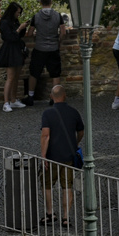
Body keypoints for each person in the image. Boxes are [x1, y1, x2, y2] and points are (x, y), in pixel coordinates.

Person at [39, 84, 83, 226]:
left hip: (52, 156)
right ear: (65, 96)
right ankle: (66, 218)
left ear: (51, 97)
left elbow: (45, 136)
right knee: (67, 187)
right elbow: (81, 131)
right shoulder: (74, 112)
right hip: (69, 157)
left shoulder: (47, 113)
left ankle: (50, 214)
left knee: (47, 185)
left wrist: (43, 156)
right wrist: (75, 143)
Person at [25, 0, 71, 107]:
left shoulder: (36, 16)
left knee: (34, 73)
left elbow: (30, 33)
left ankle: (30, 97)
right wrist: (58, 41)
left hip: (39, 48)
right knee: (55, 74)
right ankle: (55, 99)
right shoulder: (57, 15)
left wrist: (37, 35)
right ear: (51, 2)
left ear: (40, 2)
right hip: (53, 48)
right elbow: (63, 32)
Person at [0, 1, 26, 112]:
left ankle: (13, 100)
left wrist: (23, 28)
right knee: (10, 77)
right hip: (10, 50)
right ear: (12, 12)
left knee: (16, 76)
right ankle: (6, 102)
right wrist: (19, 29)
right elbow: (10, 37)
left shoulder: (14, 21)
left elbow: (19, 35)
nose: (19, 14)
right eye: (18, 12)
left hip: (17, 49)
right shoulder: (4, 23)